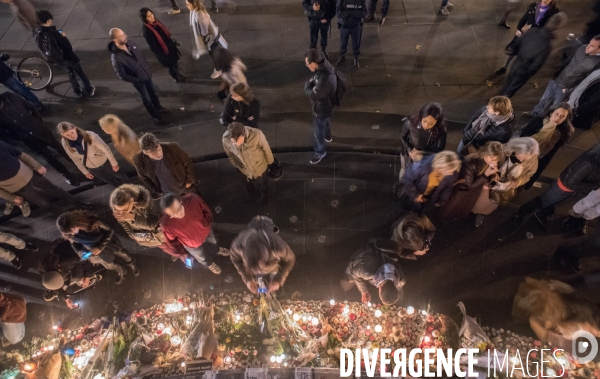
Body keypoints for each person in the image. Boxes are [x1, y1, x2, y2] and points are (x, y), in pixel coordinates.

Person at [0, 91, 79, 185]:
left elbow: (31, 107)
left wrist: (37, 121)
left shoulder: (9, 96)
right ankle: (67, 175)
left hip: (39, 129)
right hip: (28, 139)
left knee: (59, 147)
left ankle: (77, 163)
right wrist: (19, 136)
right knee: (48, 157)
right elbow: (3, 133)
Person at [515, 143, 600, 229]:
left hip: (572, 189)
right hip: (562, 188)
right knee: (542, 201)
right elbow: (570, 182)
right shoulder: (589, 163)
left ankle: (543, 214)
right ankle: (520, 214)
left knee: (552, 203)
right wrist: (595, 186)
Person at [523, 36, 600, 118]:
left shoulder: (597, 64)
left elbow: (585, 83)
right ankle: (535, 113)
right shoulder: (582, 48)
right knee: (544, 99)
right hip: (557, 80)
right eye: (589, 43)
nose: (588, 46)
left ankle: (544, 122)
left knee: (555, 107)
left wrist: (568, 91)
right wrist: (556, 74)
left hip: (566, 88)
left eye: (592, 46)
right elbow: (568, 61)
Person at [56, 210, 139, 285]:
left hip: (107, 242)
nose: (73, 234)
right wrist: (79, 252)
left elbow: (110, 231)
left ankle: (131, 263)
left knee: (122, 253)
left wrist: (100, 246)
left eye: (73, 230)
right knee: (109, 265)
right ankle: (120, 270)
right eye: (70, 232)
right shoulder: (69, 234)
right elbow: (74, 244)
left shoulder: (93, 221)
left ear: (76, 222)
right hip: (93, 251)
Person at [512, 278, 600, 347]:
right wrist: (546, 333)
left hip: (540, 297)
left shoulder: (585, 312)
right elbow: (534, 322)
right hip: (531, 302)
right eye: (595, 331)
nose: (593, 334)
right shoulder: (566, 312)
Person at [471, 137, 538, 227]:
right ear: (516, 147)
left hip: (504, 188)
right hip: (489, 181)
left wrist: (518, 181)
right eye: (520, 155)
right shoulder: (503, 149)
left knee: (492, 202)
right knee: (480, 198)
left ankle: (481, 213)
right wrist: (493, 173)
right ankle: (474, 209)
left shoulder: (532, 160)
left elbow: (528, 175)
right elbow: (487, 161)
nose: (521, 160)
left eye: (525, 158)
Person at [0, 140, 77, 217]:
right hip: (18, 188)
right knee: (44, 204)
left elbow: (20, 154)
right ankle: (66, 218)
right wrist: (11, 197)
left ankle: (78, 204)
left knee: (56, 190)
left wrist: (37, 166)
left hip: (31, 175)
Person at [108, 28, 170, 123]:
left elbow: (141, 57)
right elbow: (122, 76)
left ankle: (158, 107)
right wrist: (137, 80)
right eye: (121, 36)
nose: (125, 36)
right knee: (146, 98)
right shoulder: (116, 57)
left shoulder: (131, 43)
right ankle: (155, 116)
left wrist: (147, 68)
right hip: (138, 81)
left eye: (124, 33)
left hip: (146, 74)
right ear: (114, 40)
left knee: (153, 92)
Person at [500, 13, 568, 98]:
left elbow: (518, 43)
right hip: (524, 70)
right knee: (510, 91)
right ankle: (499, 104)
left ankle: (497, 98)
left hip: (516, 63)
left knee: (507, 83)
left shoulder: (533, 31)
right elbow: (536, 65)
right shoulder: (546, 45)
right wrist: (528, 74)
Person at [109, 184, 184, 261]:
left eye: (124, 209)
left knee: (171, 244)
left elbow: (153, 223)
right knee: (164, 247)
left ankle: (180, 254)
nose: (121, 213)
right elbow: (126, 227)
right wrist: (134, 236)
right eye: (118, 210)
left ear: (131, 201)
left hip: (159, 233)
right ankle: (175, 254)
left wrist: (133, 218)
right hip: (148, 239)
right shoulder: (119, 211)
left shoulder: (145, 202)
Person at [35, 10, 95, 98]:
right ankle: (89, 89)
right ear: (48, 20)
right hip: (66, 57)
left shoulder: (37, 32)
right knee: (80, 72)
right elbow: (68, 47)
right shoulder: (55, 34)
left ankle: (77, 91)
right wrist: (64, 36)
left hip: (56, 59)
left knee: (70, 73)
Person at [439, 141, 505, 222]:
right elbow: (470, 185)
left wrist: (493, 175)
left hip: (473, 193)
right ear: (485, 154)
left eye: (497, 161)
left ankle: (457, 217)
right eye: (492, 159)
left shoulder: (488, 162)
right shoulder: (471, 163)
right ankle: (444, 219)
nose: (494, 163)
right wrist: (486, 175)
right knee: (453, 207)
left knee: (464, 207)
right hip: (462, 191)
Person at [230, 216, 296, 294]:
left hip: (271, 255)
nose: (259, 271)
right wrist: (247, 279)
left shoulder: (277, 247)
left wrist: (279, 279)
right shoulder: (238, 246)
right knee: (259, 275)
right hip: (253, 237)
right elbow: (235, 260)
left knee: (270, 274)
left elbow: (290, 260)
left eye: (259, 268)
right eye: (254, 269)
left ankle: (265, 222)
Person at [515, 103, 574, 190]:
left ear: (566, 118)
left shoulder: (562, 133)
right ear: (551, 112)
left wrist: (529, 183)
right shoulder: (538, 121)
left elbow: (549, 155)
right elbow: (523, 136)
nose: (557, 118)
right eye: (556, 114)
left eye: (562, 116)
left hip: (537, 160)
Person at [160, 192, 222, 274]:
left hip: (206, 231)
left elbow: (205, 210)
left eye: (179, 209)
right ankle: (209, 263)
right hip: (192, 245)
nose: (179, 214)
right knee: (201, 256)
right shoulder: (166, 224)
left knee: (213, 242)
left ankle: (216, 250)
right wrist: (182, 253)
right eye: (174, 214)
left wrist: (206, 224)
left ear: (180, 201)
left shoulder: (193, 200)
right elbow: (173, 242)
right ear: (168, 214)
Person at [495, 0, 560, 75]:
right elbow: (524, 19)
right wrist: (518, 29)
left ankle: (516, 71)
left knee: (524, 55)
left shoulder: (553, 12)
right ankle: (504, 67)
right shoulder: (533, 6)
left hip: (536, 38)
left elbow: (548, 28)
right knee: (512, 50)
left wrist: (531, 27)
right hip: (524, 34)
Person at [58, 122, 128, 188]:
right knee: (109, 179)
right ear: (63, 135)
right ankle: (121, 190)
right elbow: (75, 159)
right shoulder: (66, 144)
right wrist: (85, 172)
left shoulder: (90, 135)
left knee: (119, 175)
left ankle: (130, 187)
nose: (71, 136)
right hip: (92, 168)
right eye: (67, 135)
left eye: (72, 133)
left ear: (75, 128)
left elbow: (106, 149)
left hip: (104, 162)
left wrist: (114, 163)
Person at [340, 238, 405, 305]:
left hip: (384, 256)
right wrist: (364, 291)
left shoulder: (401, 280)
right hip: (363, 256)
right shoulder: (368, 272)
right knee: (345, 286)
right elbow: (354, 272)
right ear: (380, 290)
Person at [222, 122, 274, 204]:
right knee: (246, 184)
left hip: (259, 167)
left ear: (244, 135)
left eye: (239, 141)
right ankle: (250, 193)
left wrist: (270, 162)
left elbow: (266, 149)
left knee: (263, 183)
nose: (237, 145)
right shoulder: (226, 139)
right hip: (243, 170)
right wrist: (236, 165)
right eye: (234, 143)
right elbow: (230, 154)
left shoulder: (257, 135)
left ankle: (264, 194)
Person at [133, 133, 195, 199]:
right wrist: (157, 191)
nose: (159, 154)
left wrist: (189, 181)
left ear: (158, 142)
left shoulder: (172, 147)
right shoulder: (138, 160)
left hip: (183, 186)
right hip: (165, 192)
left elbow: (187, 162)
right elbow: (144, 178)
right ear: (145, 152)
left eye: (159, 149)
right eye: (153, 154)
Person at [40, 238, 97, 309]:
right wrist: (66, 299)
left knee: (76, 277)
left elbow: (85, 259)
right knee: (71, 279)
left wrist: (88, 276)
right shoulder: (46, 273)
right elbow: (54, 286)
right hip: (67, 263)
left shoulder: (66, 261)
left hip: (75, 251)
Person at [398, 102, 447, 179]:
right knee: (404, 170)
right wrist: (410, 149)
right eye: (424, 121)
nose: (426, 125)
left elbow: (439, 149)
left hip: (426, 157)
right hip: (408, 154)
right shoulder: (410, 123)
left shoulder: (441, 130)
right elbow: (402, 136)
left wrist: (421, 153)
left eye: (431, 123)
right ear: (421, 116)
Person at [305, 49, 336, 165]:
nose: (307, 66)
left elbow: (313, 94)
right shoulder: (324, 66)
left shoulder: (325, 78)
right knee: (325, 120)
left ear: (313, 63)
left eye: (307, 64)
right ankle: (328, 135)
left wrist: (307, 85)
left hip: (322, 107)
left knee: (319, 131)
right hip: (327, 105)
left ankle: (320, 151)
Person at [140, 8, 186, 83]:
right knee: (172, 66)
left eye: (151, 14)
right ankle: (176, 77)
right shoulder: (147, 31)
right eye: (149, 16)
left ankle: (177, 74)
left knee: (175, 63)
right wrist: (163, 53)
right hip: (165, 52)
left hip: (169, 46)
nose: (152, 17)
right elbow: (154, 46)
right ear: (145, 18)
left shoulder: (155, 21)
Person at [187, 0, 228, 71]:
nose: (186, 6)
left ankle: (219, 68)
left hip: (211, 38)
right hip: (211, 37)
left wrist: (201, 40)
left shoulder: (201, 16)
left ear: (194, 4)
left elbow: (204, 33)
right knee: (214, 52)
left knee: (213, 53)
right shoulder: (196, 11)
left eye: (188, 4)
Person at [336, 0, 367, 68]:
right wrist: (343, 14)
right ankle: (342, 55)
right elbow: (338, 12)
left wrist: (350, 13)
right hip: (344, 25)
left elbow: (364, 13)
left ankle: (356, 57)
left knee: (356, 43)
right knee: (343, 42)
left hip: (356, 26)